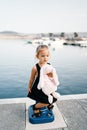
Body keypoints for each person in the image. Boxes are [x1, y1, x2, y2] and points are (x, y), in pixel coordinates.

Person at [27, 45, 59, 117]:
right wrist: (29, 87)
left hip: (47, 87)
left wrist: (51, 76)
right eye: (43, 56)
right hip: (39, 87)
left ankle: (47, 104)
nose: (45, 58)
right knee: (45, 100)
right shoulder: (35, 67)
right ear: (37, 56)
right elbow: (32, 78)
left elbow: (52, 77)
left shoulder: (49, 65)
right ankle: (36, 107)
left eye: (47, 56)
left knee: (53, 98)